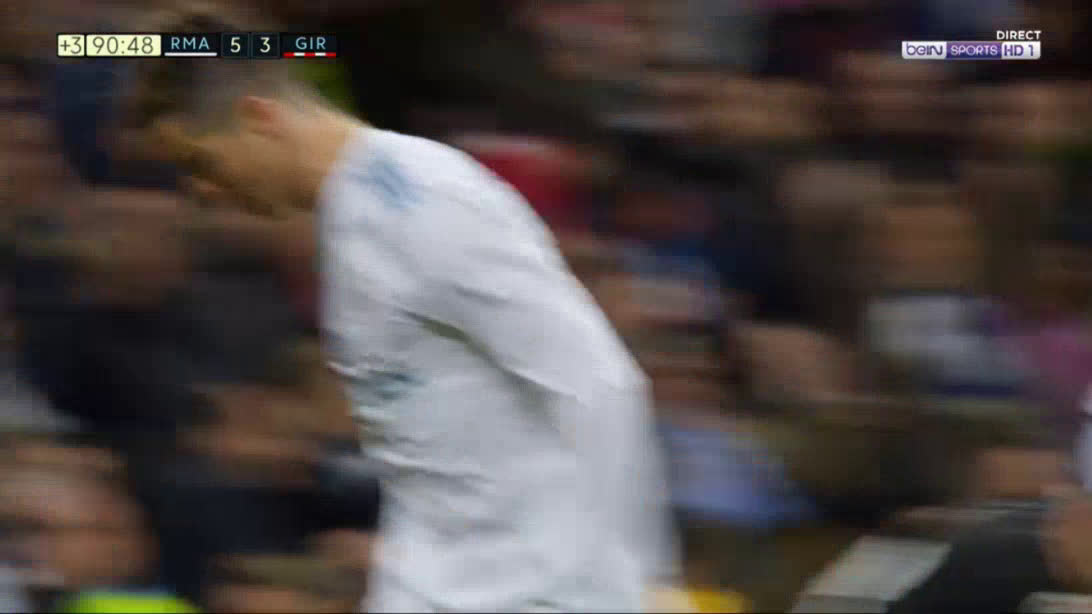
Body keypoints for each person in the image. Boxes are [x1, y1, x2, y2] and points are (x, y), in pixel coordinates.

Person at [128, 12, 679, 613]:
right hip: (444, 585)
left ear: (259, 117)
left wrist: (641, 580)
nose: (201, 191)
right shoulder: (352, 217)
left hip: (537, 592)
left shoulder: (423, 203)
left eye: (201, 163)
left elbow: (599, 383)